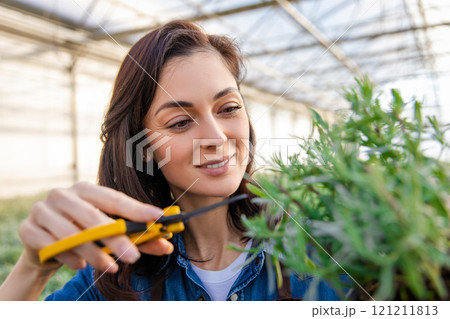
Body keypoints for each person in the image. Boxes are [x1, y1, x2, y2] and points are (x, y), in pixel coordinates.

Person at [0, 20, 341, 301]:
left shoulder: (324, 248)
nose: (217, 137)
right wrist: (32, 268)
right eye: (180, 122)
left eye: (229, 109)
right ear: (143, 146)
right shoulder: (113, 279)